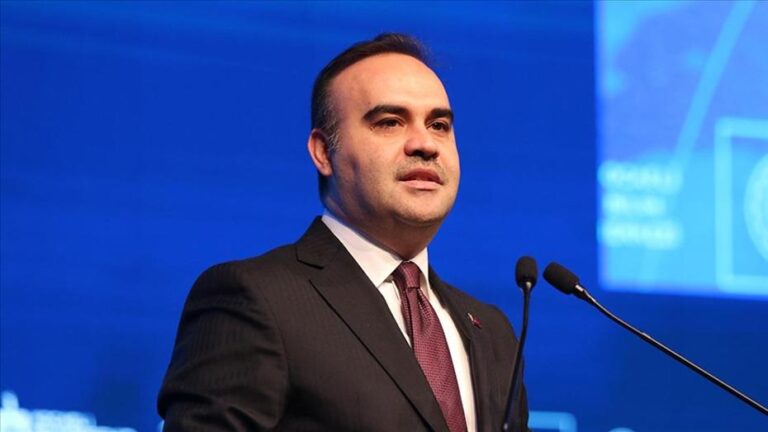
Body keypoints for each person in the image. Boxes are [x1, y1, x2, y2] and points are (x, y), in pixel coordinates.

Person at [158, 33, 529, 432]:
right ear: (323, 152)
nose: (425, 144)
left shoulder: (492, 331)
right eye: (390, 122)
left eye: (439, 125)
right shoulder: (255, 298)